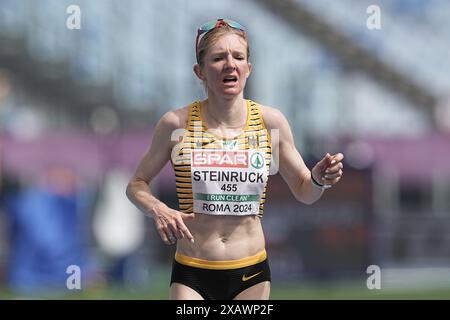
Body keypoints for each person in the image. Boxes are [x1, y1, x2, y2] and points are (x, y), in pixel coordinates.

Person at [126, 18, 344, 300]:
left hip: (250, 272)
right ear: (200, 71)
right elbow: (136, 185)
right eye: (218, 58)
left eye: (238, 57)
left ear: (248, 69)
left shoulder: (270, 122)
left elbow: (305, 190)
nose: (230, 64)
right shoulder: (175, 124)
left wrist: (318, 179)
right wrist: (159, 209)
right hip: (193, 270)